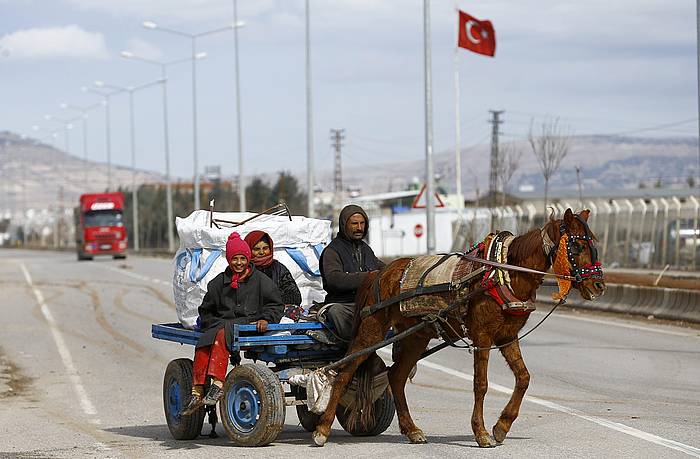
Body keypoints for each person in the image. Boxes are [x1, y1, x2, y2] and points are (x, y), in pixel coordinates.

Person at [181, 232, 283, 416]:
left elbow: (276, 304)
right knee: (204, 342)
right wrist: (213, 323)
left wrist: (266, 319)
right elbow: (206, 310)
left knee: (222, 334)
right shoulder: (218, 282)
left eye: (242, 259)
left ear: (247, 258)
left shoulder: (261, 281)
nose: (239, 263)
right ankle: (197, 390)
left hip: (248, 325)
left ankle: (218, 384)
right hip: (222, 324)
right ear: (229, 260)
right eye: (234, 259)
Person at [317, 204, 385, 343]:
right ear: (343, 225)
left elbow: (382, 268)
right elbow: (334, 279)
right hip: (346, 304)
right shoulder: (332, 251)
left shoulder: (366, 249)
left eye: (362, 223)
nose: (359, 228)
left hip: (368, 303)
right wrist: (369, 277)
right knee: (336, 312)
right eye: (354, 223)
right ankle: (354, 347)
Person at [244, 230, 304, 320]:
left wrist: (272, 301)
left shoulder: (279, 268)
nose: (261, 252)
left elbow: (295, 296)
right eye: (256, 249)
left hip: (276, 311)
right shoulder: (244, 270)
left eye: (265, 248)